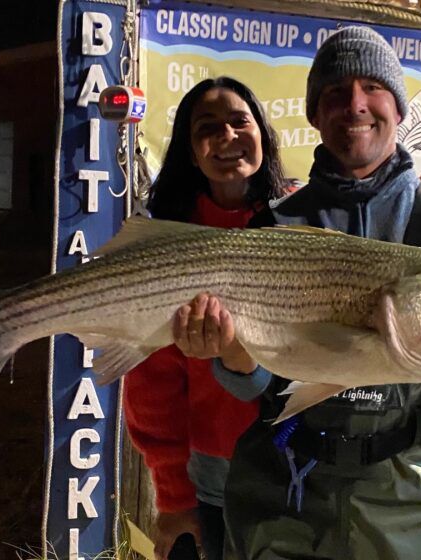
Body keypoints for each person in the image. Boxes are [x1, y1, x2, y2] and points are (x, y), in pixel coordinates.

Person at [173, 27, 421, 559]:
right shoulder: (275, 224)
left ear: (398, 108)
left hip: (401, 486)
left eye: (373, 87)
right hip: (280, 486)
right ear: (315, 115)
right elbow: (255, 390)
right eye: (335, 93)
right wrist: (234, 359)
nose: (355, 104)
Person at [122, 76, 288, 560]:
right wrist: (174, 498)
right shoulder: (168, 239)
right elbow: (152, 388)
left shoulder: (302, 219)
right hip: (216, 476)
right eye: (207, 128)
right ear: (191, 153)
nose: (227, 136)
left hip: (302, 465)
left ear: (263, 133)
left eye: (240, 121)